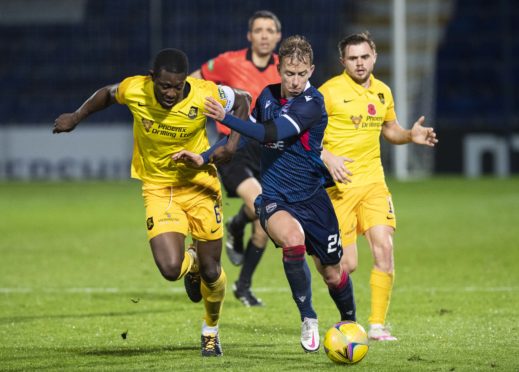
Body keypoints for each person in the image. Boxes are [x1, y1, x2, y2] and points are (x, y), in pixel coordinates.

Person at [53, 48, 250, 356]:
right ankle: (192, 261)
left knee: (213, 272)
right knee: (172, 268)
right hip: (159, 188)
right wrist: (77, 117)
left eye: (178, 85)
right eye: (165, 85)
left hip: (200, 185)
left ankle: (210, 330)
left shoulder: (204, 93)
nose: (171, 92)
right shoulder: (136, 89)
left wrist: (232, 144)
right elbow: (107, 93)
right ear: (152, 78)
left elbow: (243, 100)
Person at [174, 35, 356, 353]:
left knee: (332, 273)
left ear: (311, 70)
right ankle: (308, 317)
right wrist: (203, 156)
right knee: (292, 239)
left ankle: (350, 322)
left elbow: (269, 133)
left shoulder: (312, 104)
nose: (295, 80)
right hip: (274, 196)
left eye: (302, 74)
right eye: (289, 73)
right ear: (279, 68)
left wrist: (225, 117)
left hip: (312, 198)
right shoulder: (268, 96)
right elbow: (244, 140)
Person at [319, 32, 438, 341]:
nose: (359, 63)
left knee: (384, 249)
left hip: (374, 185)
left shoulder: (383, 92)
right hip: (338, 188)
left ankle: (376, 326)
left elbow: (390, 130)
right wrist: (326, 155)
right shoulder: (328, 93)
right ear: (343, 61)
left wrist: (410, 135)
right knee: (347, 265)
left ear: (374, 57)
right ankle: (315, 247)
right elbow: (305, 137)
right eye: (353, 58)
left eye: (364, 56)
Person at [191, 10, 282, 307]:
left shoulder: (285, 69)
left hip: (269, 149)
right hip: (235, 147)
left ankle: (244, 286)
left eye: (270, 30)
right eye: (259, 30)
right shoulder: (229, 61)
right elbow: (195, 80)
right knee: (262, 205)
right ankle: (235, 225)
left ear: (278, 36)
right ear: (250, 36)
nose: (265, 35)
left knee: (264, 225)